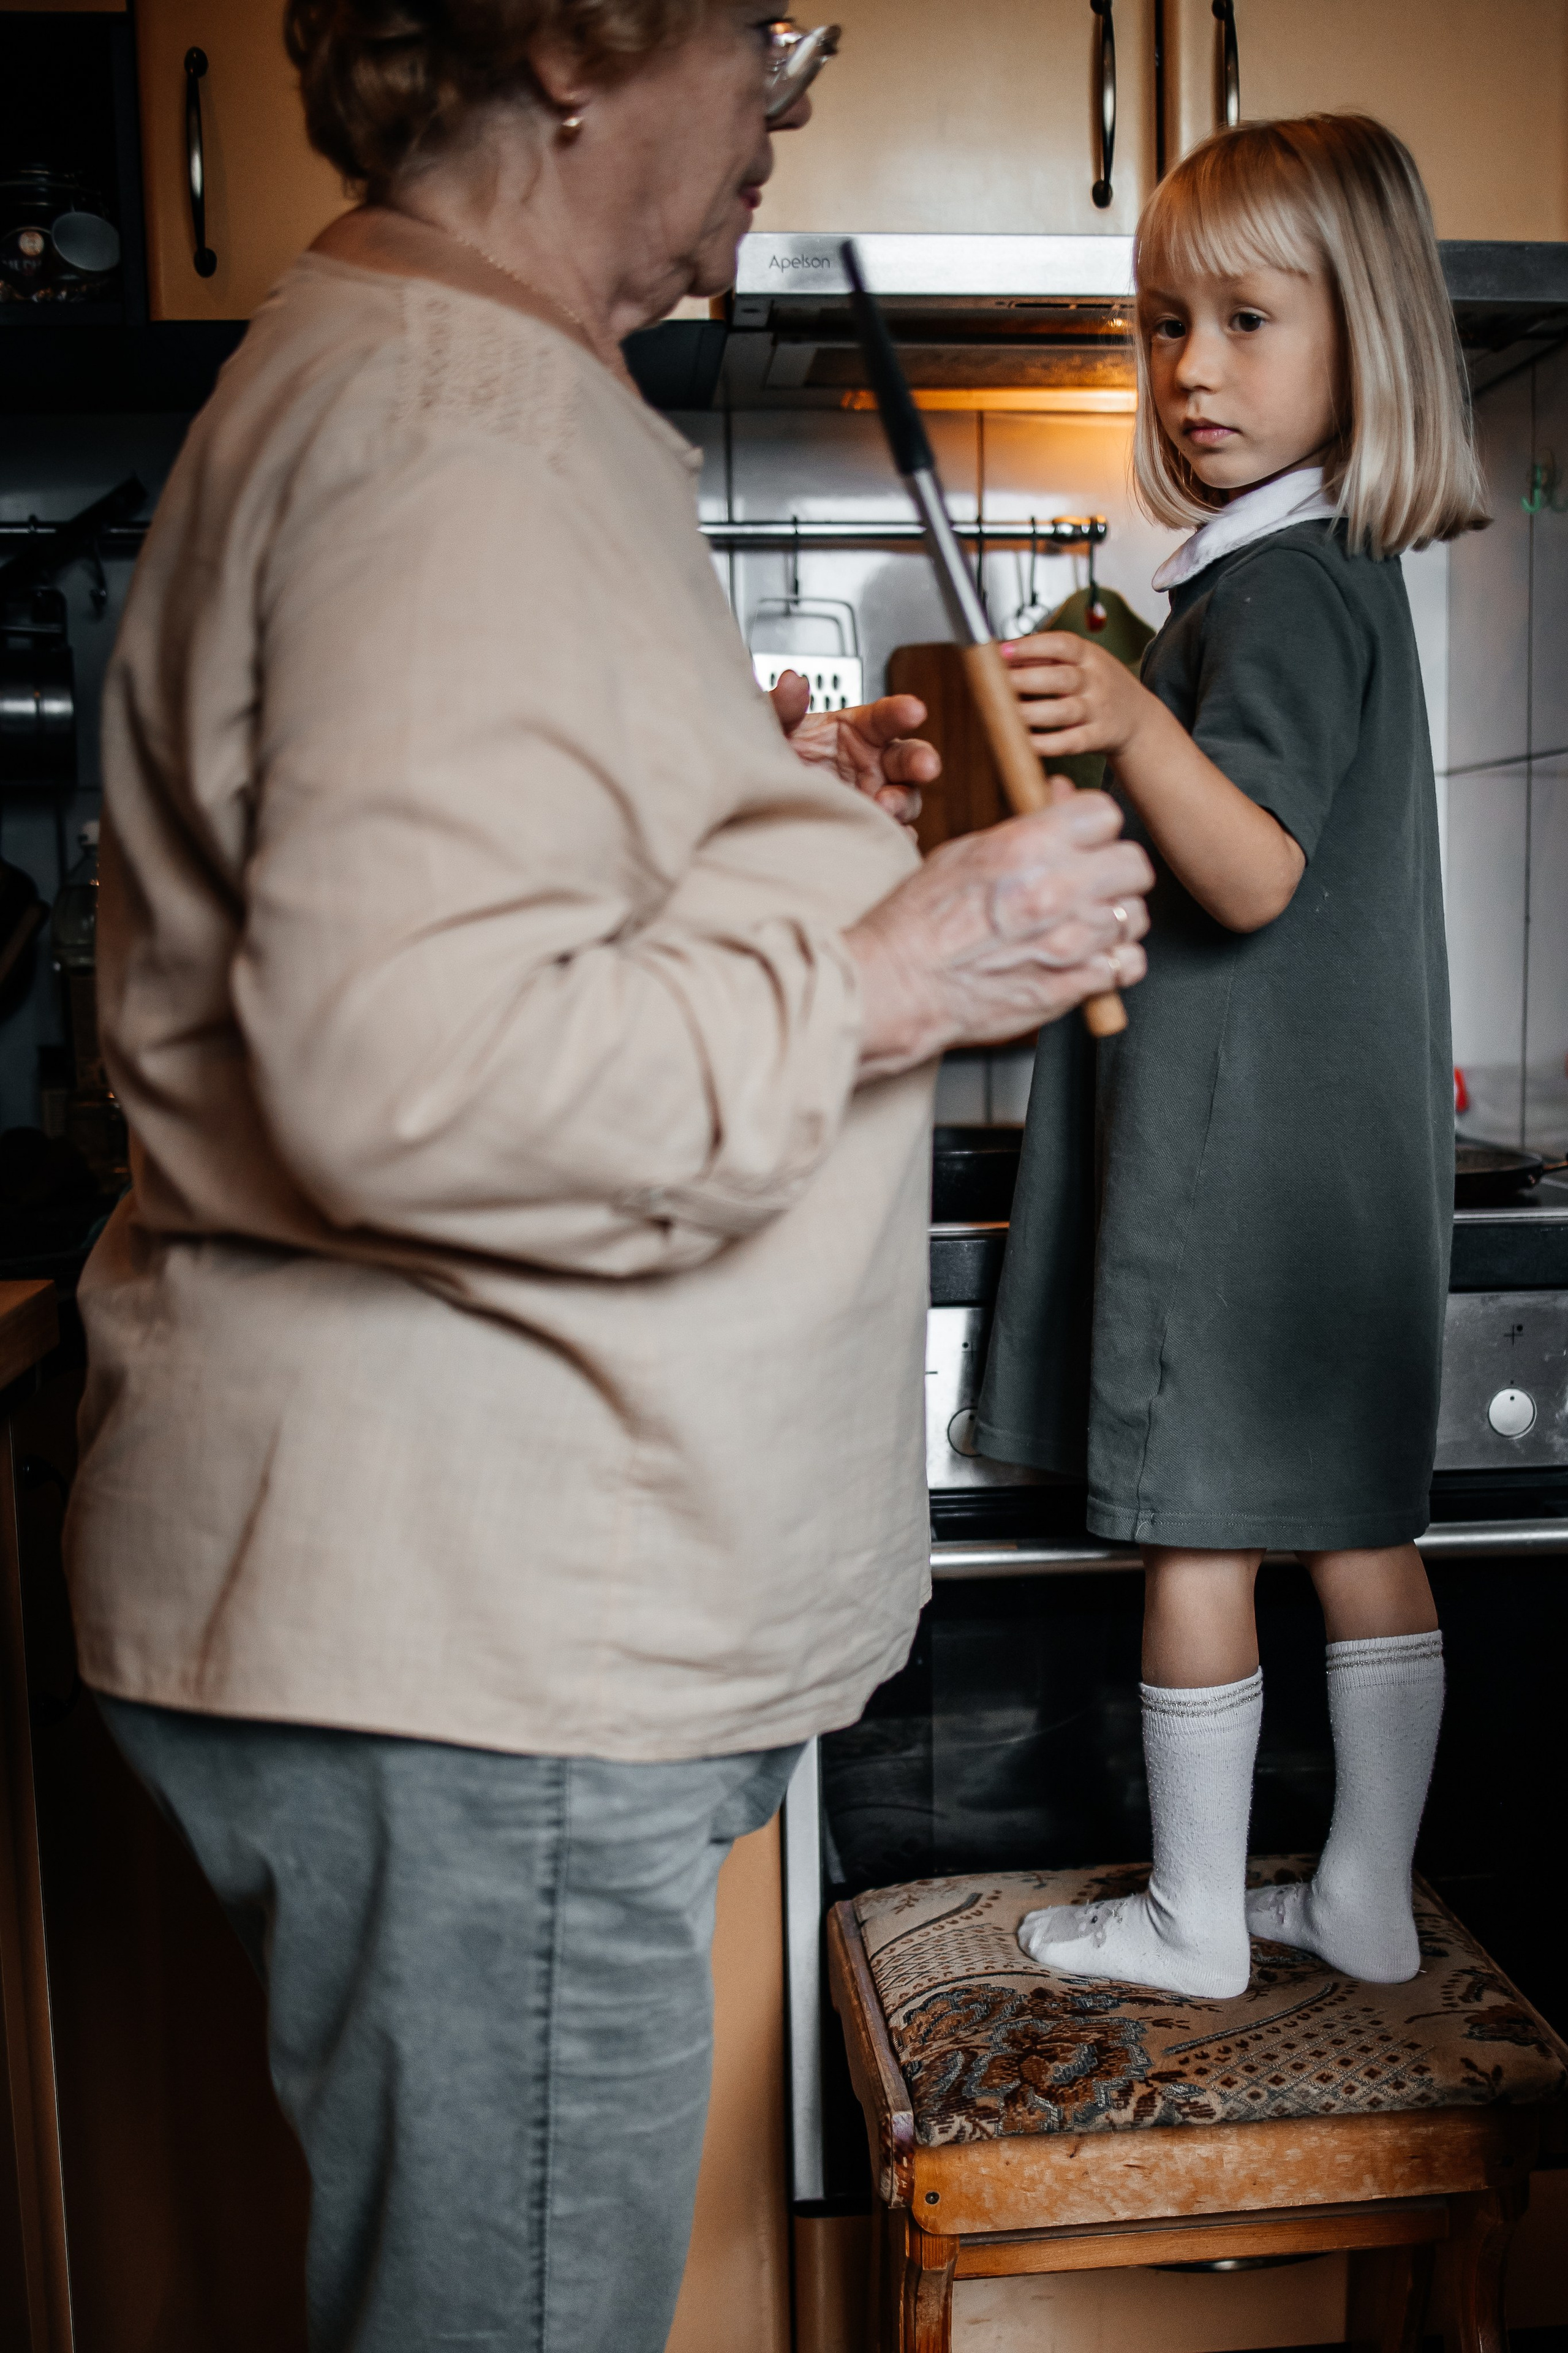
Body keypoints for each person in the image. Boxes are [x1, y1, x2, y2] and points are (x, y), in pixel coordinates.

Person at [62, 4, 1152, 2346]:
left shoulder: (432, 374)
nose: (789, 97)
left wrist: (794, 856)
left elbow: (486, 930)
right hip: (490, 1642)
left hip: (479, 1626)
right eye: (766, 33)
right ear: (572, 44)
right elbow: (415, 1069)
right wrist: (900, 965)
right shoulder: (459, 427)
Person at [976, 115, 1487, 2000]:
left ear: (1363, 341)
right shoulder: (1319, 576)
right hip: (1339, 1182)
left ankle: (1196, 1920)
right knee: (1358, 1530)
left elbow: (1253, 869)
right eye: (1164, 324)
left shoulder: (1272, 591)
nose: (1191, 369)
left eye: (1247, 322)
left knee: (1196, 1540)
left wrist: (1121, 708)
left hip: (1242, 1173)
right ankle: (1363, 1894)